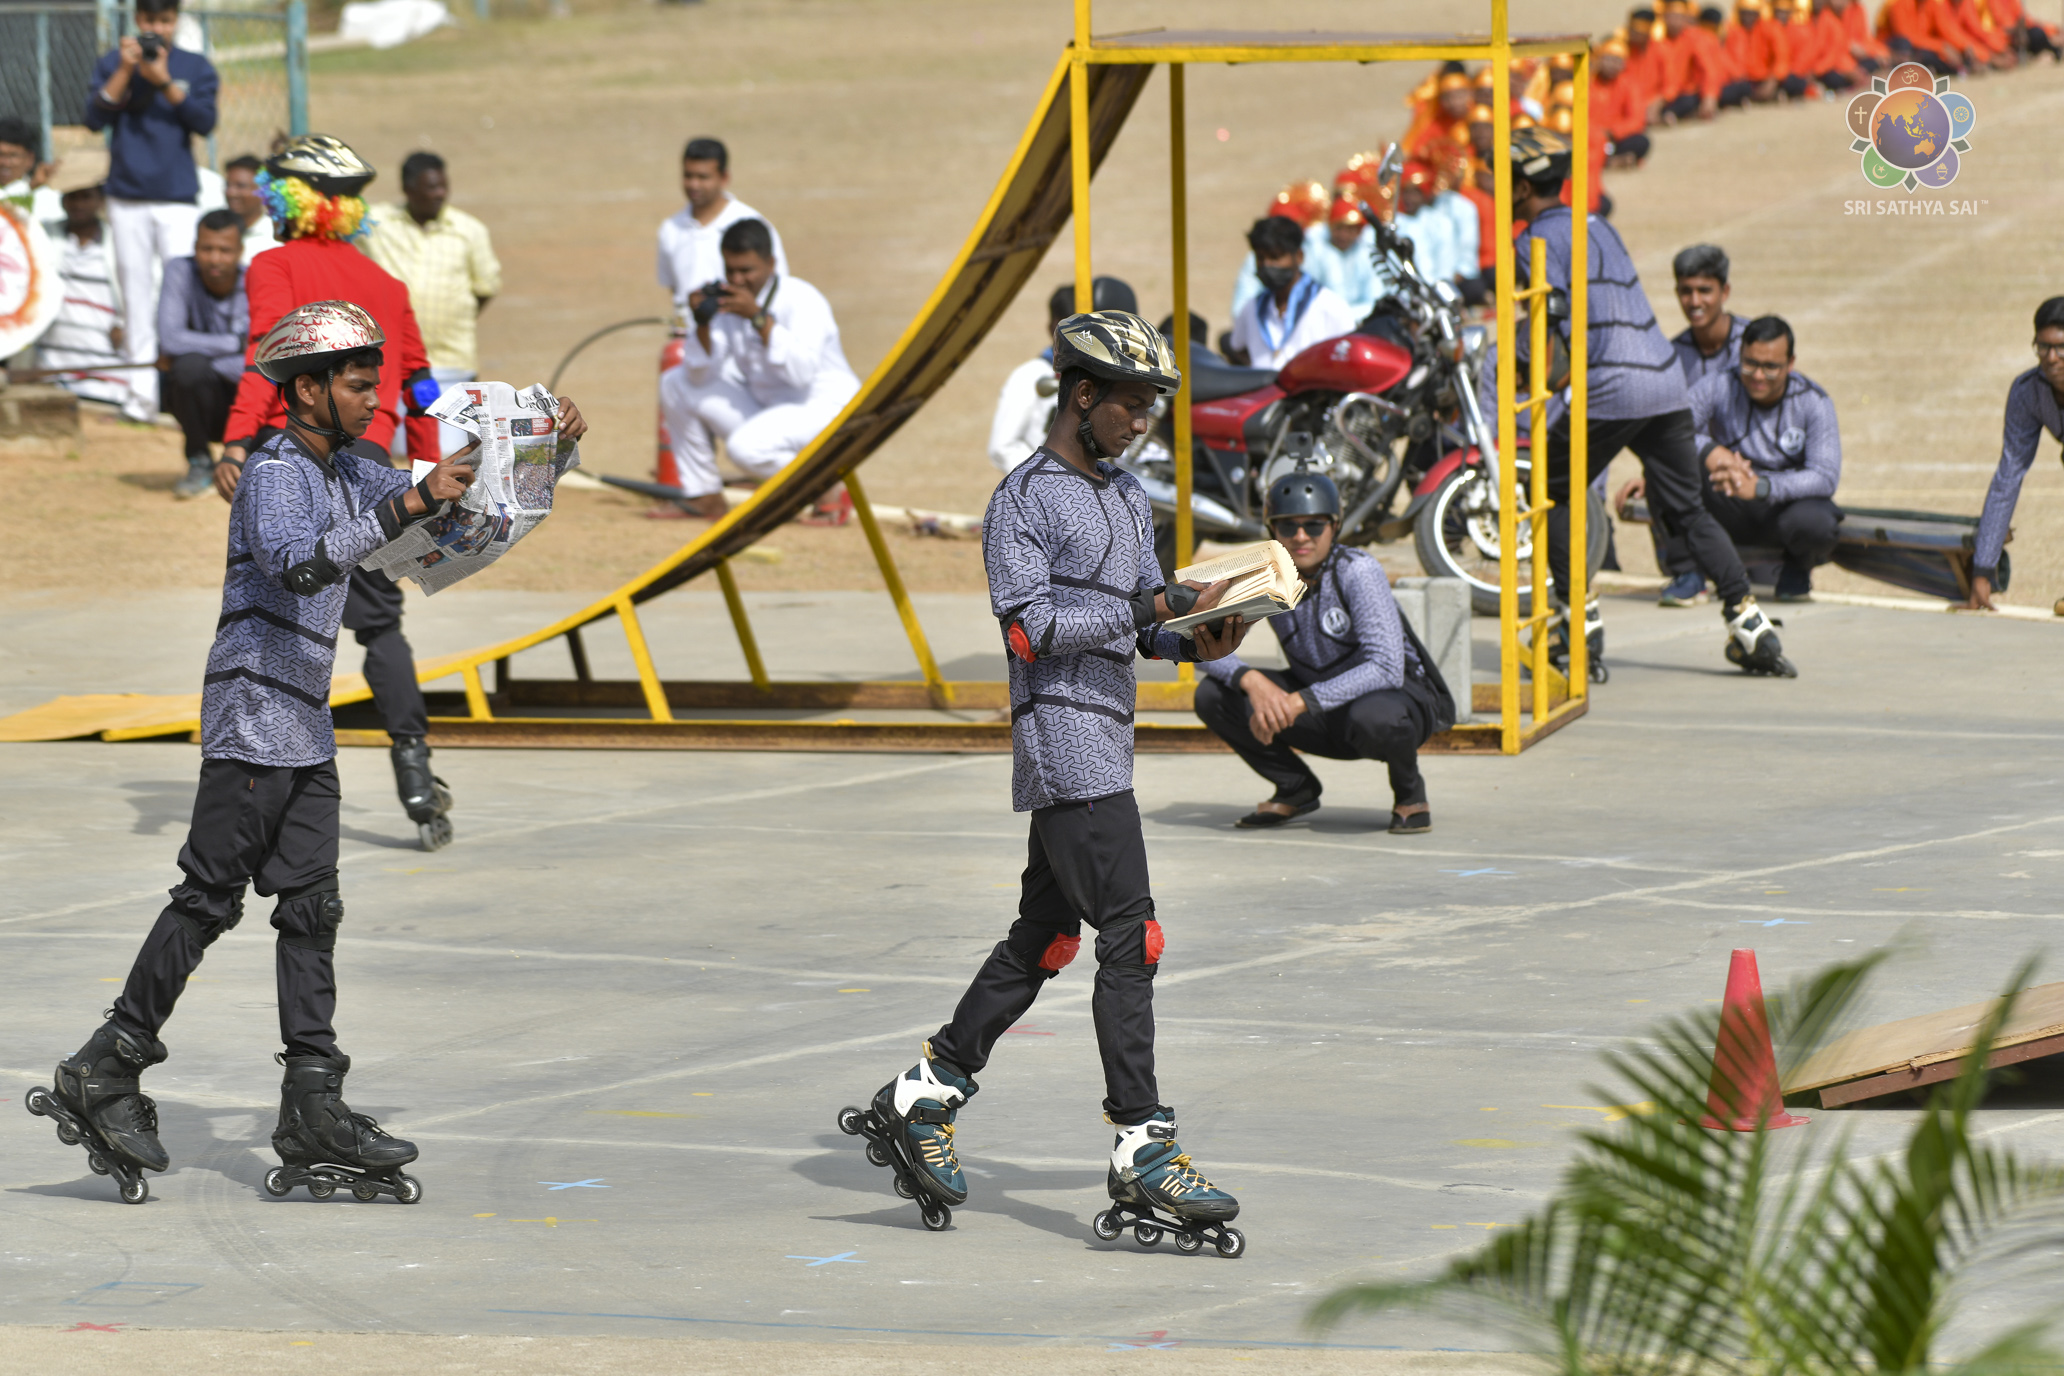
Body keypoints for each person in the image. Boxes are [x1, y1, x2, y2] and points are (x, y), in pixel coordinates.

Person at [26, 302, 582, 1206]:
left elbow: (457, 504)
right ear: (310, 388)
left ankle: (312, 1102)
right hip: (251, 718)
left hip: (305, 725)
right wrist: (410, 498)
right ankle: (107, 1067)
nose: (374, 399)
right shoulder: (275, 474)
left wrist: (548, 449)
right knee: (208, 898)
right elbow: (298, 564)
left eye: (376, 382)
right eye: (360, 384)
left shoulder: (352, 467)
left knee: (312, 910)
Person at [847, 308, 1248, 1247]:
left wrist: (1197, 633)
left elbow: (1140, 627)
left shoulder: (1121, 496)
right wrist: (1145, 604)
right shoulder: (1022, 500)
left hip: (1108, 736)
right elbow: (1028, 631)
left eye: (1153, 404)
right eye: (1133, 403)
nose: (1144, 419)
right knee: (1130, 937)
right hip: (1063, 741)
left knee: (1047, 937)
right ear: (1081, 395)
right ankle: (1142, 1144)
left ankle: (925, 1093)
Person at [214, 135, 455, 849]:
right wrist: (424, 475)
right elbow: (421, 384)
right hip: (374, 462)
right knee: (380, 625)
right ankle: (416, 775)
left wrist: (234, 439)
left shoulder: (274, 264)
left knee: (275, 608)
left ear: (289, 199)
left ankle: (266, 770)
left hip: (303, 450)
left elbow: (269, 356)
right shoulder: (389, 282)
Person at [1506, 128, 1792, 678]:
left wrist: (1525, 368)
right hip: (1664, 381)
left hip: (1611, 385)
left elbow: (1555, 330)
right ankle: (1747, 621)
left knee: (1551, 489)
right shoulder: (1598, 224)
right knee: (1687, 508)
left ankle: (1578, 622)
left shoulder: (1533, 242)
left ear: (1521, 188)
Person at [1194, 470, 1455, 834]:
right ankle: (1295, 787)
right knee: (1213, 695)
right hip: (1318, 701)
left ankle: (1410, 793)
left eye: (1314, 526)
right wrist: (1250, 680)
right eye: (1288, 526)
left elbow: (1386, 668)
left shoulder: (1357, 571)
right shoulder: (1267, 578)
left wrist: (1300, 701)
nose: (1301, 537)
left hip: (1392, 701)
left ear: (1335, 526)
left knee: (1378, 717)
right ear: (1272, 531)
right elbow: (1203, 647)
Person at [659, 217, 859, 519]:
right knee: (676, 382)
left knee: (746, 448)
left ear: (771, 263)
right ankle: (704, 496)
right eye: (731, 270)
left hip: (825, 408)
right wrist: (702, 323)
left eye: (747, 271)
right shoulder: (729, 303)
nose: (738, 280)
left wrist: (757, 317)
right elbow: (700, 375)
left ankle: (825, 486)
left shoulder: (802, 299)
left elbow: (801, 374)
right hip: (771, 410)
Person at [83, 0, 218, 425]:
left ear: (176, 22)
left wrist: (164, 82)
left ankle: (181, 397)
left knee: (178, 297)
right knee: (136, 298)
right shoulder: (114, 61)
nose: (156, 29)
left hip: (176, 196)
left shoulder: (194, 66)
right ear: (136, 21)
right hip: (126, 196)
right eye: (148, 21)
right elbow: (92, 117)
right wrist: (126, 71)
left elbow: (204, 121)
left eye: (164, 21)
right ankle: (140, 398)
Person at [1688, 316, 1842, 602]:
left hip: (1780, 510)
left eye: (1770, 367)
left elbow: (1825, 475)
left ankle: (1797, 568)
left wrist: (1762, 486)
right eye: (1750, 364)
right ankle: (1687, 574)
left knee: (1817, 521)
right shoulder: (1719, 384)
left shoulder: (1813, 401)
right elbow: (1676, 429)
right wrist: (1711, 451)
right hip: (1728, 497)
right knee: (1669, 469)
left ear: (1791, 363)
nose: (1758, 376)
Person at [361, 150, 502, 460]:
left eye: (443, 186)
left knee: (447, 452)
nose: (440, 194)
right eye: (431, 187)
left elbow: (485, 287)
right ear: (409, 189)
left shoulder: (469, 231)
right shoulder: (376, 224)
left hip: (452, 357)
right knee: (391, 450)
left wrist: (454, 316)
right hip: (393, 361)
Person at [1644, 242, 1748, 604]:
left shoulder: (1754, 347)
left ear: (1725, 291)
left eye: (1705, 290)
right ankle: (1688, 575)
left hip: (1751, 468)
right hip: (1697, 471)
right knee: (1658, 462)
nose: (1695, 301)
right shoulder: (1671, 356)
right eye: (1685, 291)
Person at [1968, 297, 2064, 612]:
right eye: (2043, 347)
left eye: (2062, 348)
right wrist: (1982, 570)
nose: (2052, 358)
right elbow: (2008, 478)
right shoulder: (2028, 392)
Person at [988, 277, 1136, 475]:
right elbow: (1002, 447)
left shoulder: (1108, 378)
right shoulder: (1030, 375)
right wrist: (1052, 477)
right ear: (1052, 328)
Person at [158, 208, 248, 498]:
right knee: (188, 368)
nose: (214, 258)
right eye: (206, 248)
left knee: (190, 363)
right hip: (198, 392)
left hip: (245, 396)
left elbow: (256, 360)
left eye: (224, 250)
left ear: (240, 251)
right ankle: (199, 461)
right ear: (195, 247)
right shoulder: (179, 270)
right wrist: (233, 344)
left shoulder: (254, 281)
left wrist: (204, 356)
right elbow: (170, 338)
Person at [656, 135, 787, 319]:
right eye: (688, 176)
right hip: (692, 341)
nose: (694, 184)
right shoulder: (670, 229)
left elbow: (776, 287)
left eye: (703, 177)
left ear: (724, 177)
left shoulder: (752, 225)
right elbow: (675, 291)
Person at [33, 172, 134, 409]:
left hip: (104, 373)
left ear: (100, 201)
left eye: (85, 197)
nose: (77, 204)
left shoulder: (118, 242)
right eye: (71, 197)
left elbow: (143, 293)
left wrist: (125, 322)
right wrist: (33, 186)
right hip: (51, 370)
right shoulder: (44, 235)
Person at [1225, 216, 1358, 370]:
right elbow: (1238, 348)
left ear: (1299, 256)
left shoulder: (1330, 306)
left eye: (1275, 257)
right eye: (1260, 258)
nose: (1267, 265)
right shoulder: (1252, 308)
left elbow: (1348, 358)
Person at [1302, 197, 1383, 320]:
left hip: (1363, 318)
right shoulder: (1316, 251)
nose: (1343, 235)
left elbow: (1375, 294)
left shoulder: (1366, 252)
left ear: (1358, 231)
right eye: (1339, 228)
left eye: (1350, 230)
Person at [0, 116, 61, 222]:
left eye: (13, 155)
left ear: (30, 159)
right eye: (0, 155)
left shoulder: (47, 198)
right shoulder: (31, 188)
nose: (5, 163)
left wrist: (30, 189)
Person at [222, 153, 277, 264]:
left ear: (263, 190)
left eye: (240, 186)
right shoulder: (216, 231)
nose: (231, 193)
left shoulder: (274, 236)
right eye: (228, 185)